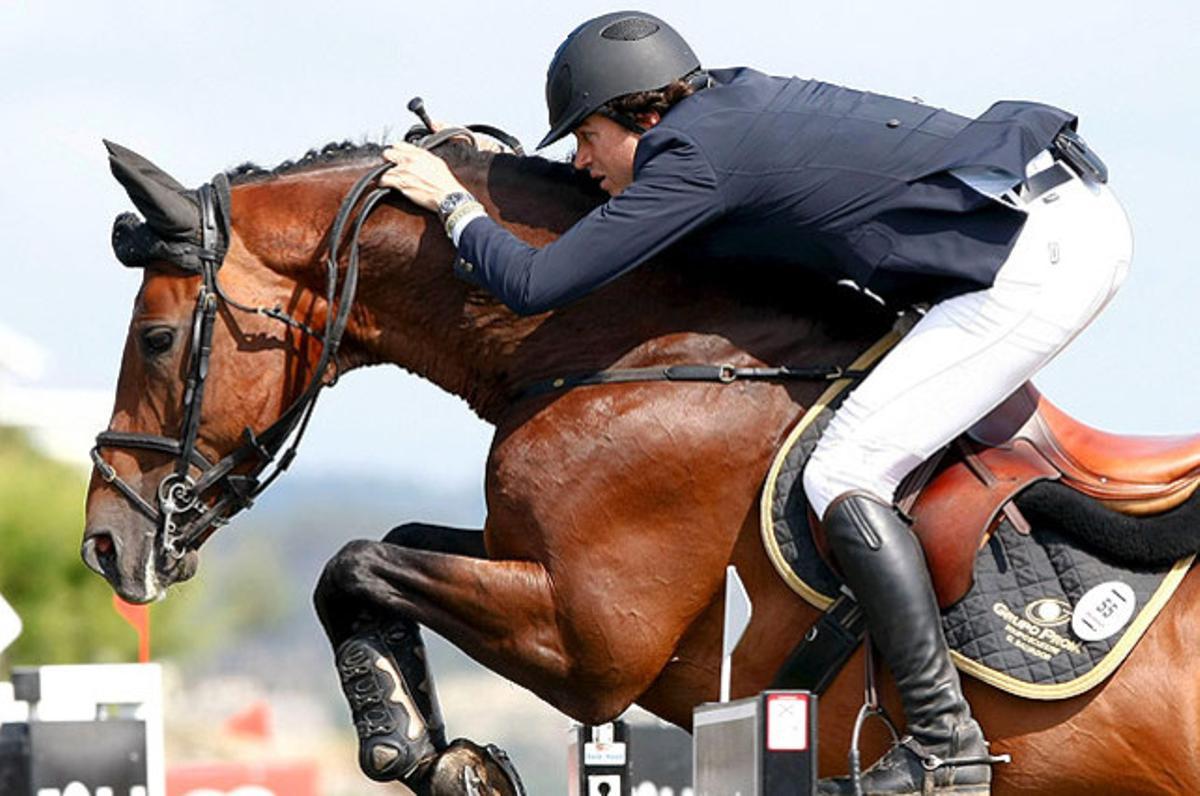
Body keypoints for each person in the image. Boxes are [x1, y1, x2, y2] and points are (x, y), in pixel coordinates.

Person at [379, 11, 1132, 794]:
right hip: (1049, 214)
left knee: (847, 469)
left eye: (584, 138)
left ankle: (946, 749)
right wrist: (496, 172)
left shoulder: (698, 156)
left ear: (639, 115)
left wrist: (450, 201)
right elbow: (637, 222)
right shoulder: (714, 118)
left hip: (1043, 258)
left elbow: (535, 285)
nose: (580, 159)